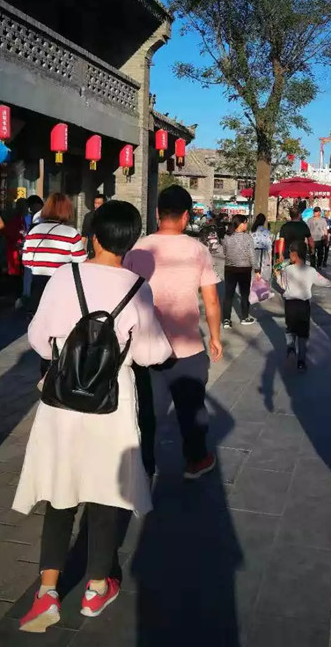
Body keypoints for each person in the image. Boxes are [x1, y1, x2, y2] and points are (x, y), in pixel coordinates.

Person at [13, 200, 171, 633]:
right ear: (129, 242)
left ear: (93, 236)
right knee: (104, 494)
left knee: (60, 493)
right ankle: (96, 588)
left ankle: (47, 593)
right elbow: (151, 354)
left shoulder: (64, 277)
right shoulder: (138, 288)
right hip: (112, 404)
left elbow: (38, 340)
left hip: (63, 400)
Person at [123, 185, 223, 479]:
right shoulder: (198, 250)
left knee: (146, 413)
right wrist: (215, 337)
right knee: (192, 411)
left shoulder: (137, 249)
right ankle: (196, 460)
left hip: (144, 347)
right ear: (186, 216)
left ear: (157, 213)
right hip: (187, 348)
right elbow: (211, 300)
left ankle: (145, 466)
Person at [277, 240, 331, 373]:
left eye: (290, 253)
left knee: (290, 329)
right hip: (303, 305)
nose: (289, 255)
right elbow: (322, 281)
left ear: (294, 254)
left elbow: (282, 285)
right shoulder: (311, 270)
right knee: (303, 334)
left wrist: (278, 273)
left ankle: (291, 349)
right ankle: (301, 362)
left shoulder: (287, 269)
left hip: (290, 304)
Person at [22, 193, 86, 311]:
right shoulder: (71, 233)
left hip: (37, 285)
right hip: (61, 285)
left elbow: (26, 261)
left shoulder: (34, 231)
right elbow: (80, 262)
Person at [221, 215, 258, 327]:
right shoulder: (247, 238)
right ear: (240, 224)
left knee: (228, 295)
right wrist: (256, 268)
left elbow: (225, 251)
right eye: (245, 222)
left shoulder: (227, 236)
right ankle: (245, 317)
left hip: (230, 269)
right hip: (244, 269)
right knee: (244, 294)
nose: (246, 225)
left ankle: (226, 319)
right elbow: (252, 255)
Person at [19, 196, 44, 307]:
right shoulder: (37, 216)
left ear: (37, 204)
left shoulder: (39, 217)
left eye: (31, 206)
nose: (30, 209)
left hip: (36, 253)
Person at [252, 213, 273, 281]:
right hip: (264, 254)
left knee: (254, 276)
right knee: (263, 276)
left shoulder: (252, 231)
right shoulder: (267, 232)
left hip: (254, 253)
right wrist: (270, 258)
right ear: (264, 221)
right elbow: (269, 246)